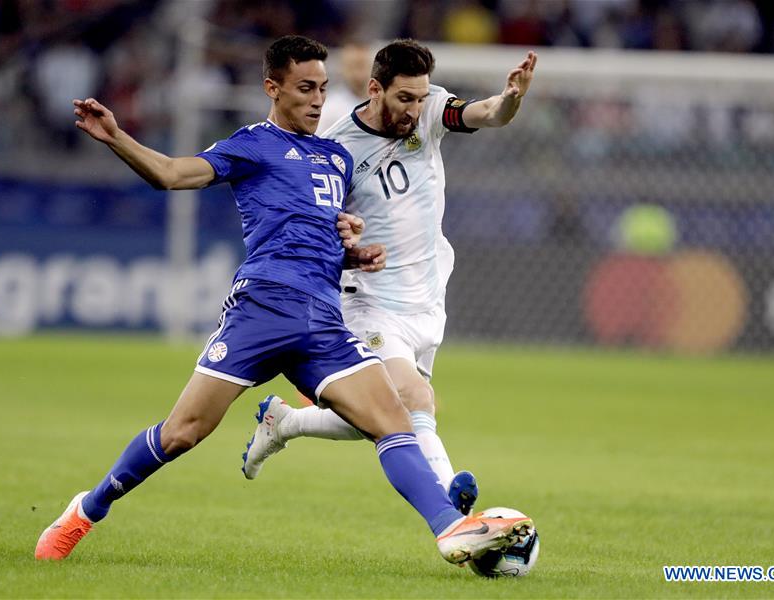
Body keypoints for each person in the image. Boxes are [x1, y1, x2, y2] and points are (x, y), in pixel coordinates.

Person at [34, 35, 532, 565]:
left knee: (395, 420)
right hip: (265, 307)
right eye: (304, 88)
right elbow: (173, 175)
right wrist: (117, 137)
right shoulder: (253, 145)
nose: (317, 100)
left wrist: (353, 255)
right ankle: (86, 510)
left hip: (323, 317)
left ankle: (450, 529)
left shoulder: (338, 158)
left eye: (321, 88)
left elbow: (318, 238)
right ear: (273, 88)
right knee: (184, 432)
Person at [241, 39, 538, 516]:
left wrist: (511, 99)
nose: (415, 109)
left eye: (421, 98)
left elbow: (486, 114)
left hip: (427, 296)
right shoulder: (337, 152)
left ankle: (286, 422)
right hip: (370, 301)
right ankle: (453, 508)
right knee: (416, 398)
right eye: (405, 99)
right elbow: (318, 228)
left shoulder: (430, 110)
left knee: (384, 415)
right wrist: (347, 243)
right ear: (375, 89)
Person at [316, 41, 372, 133]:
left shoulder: (382, 103)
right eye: (353, 66)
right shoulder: (330, 107)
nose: (358, 73)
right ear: (343, 68)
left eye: (361, 65)